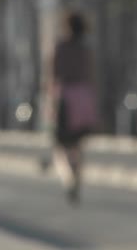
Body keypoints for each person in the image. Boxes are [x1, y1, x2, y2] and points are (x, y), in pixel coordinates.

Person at [52, 12, 97, 205]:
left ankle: (69, 179)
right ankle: (77, 178)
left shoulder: (61, 47)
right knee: (78, 145)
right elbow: (91, 75)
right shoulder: (85, 49)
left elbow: (54, 75)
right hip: (84, 97)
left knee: (61, 146)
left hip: (66, 97)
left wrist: (51, 103)